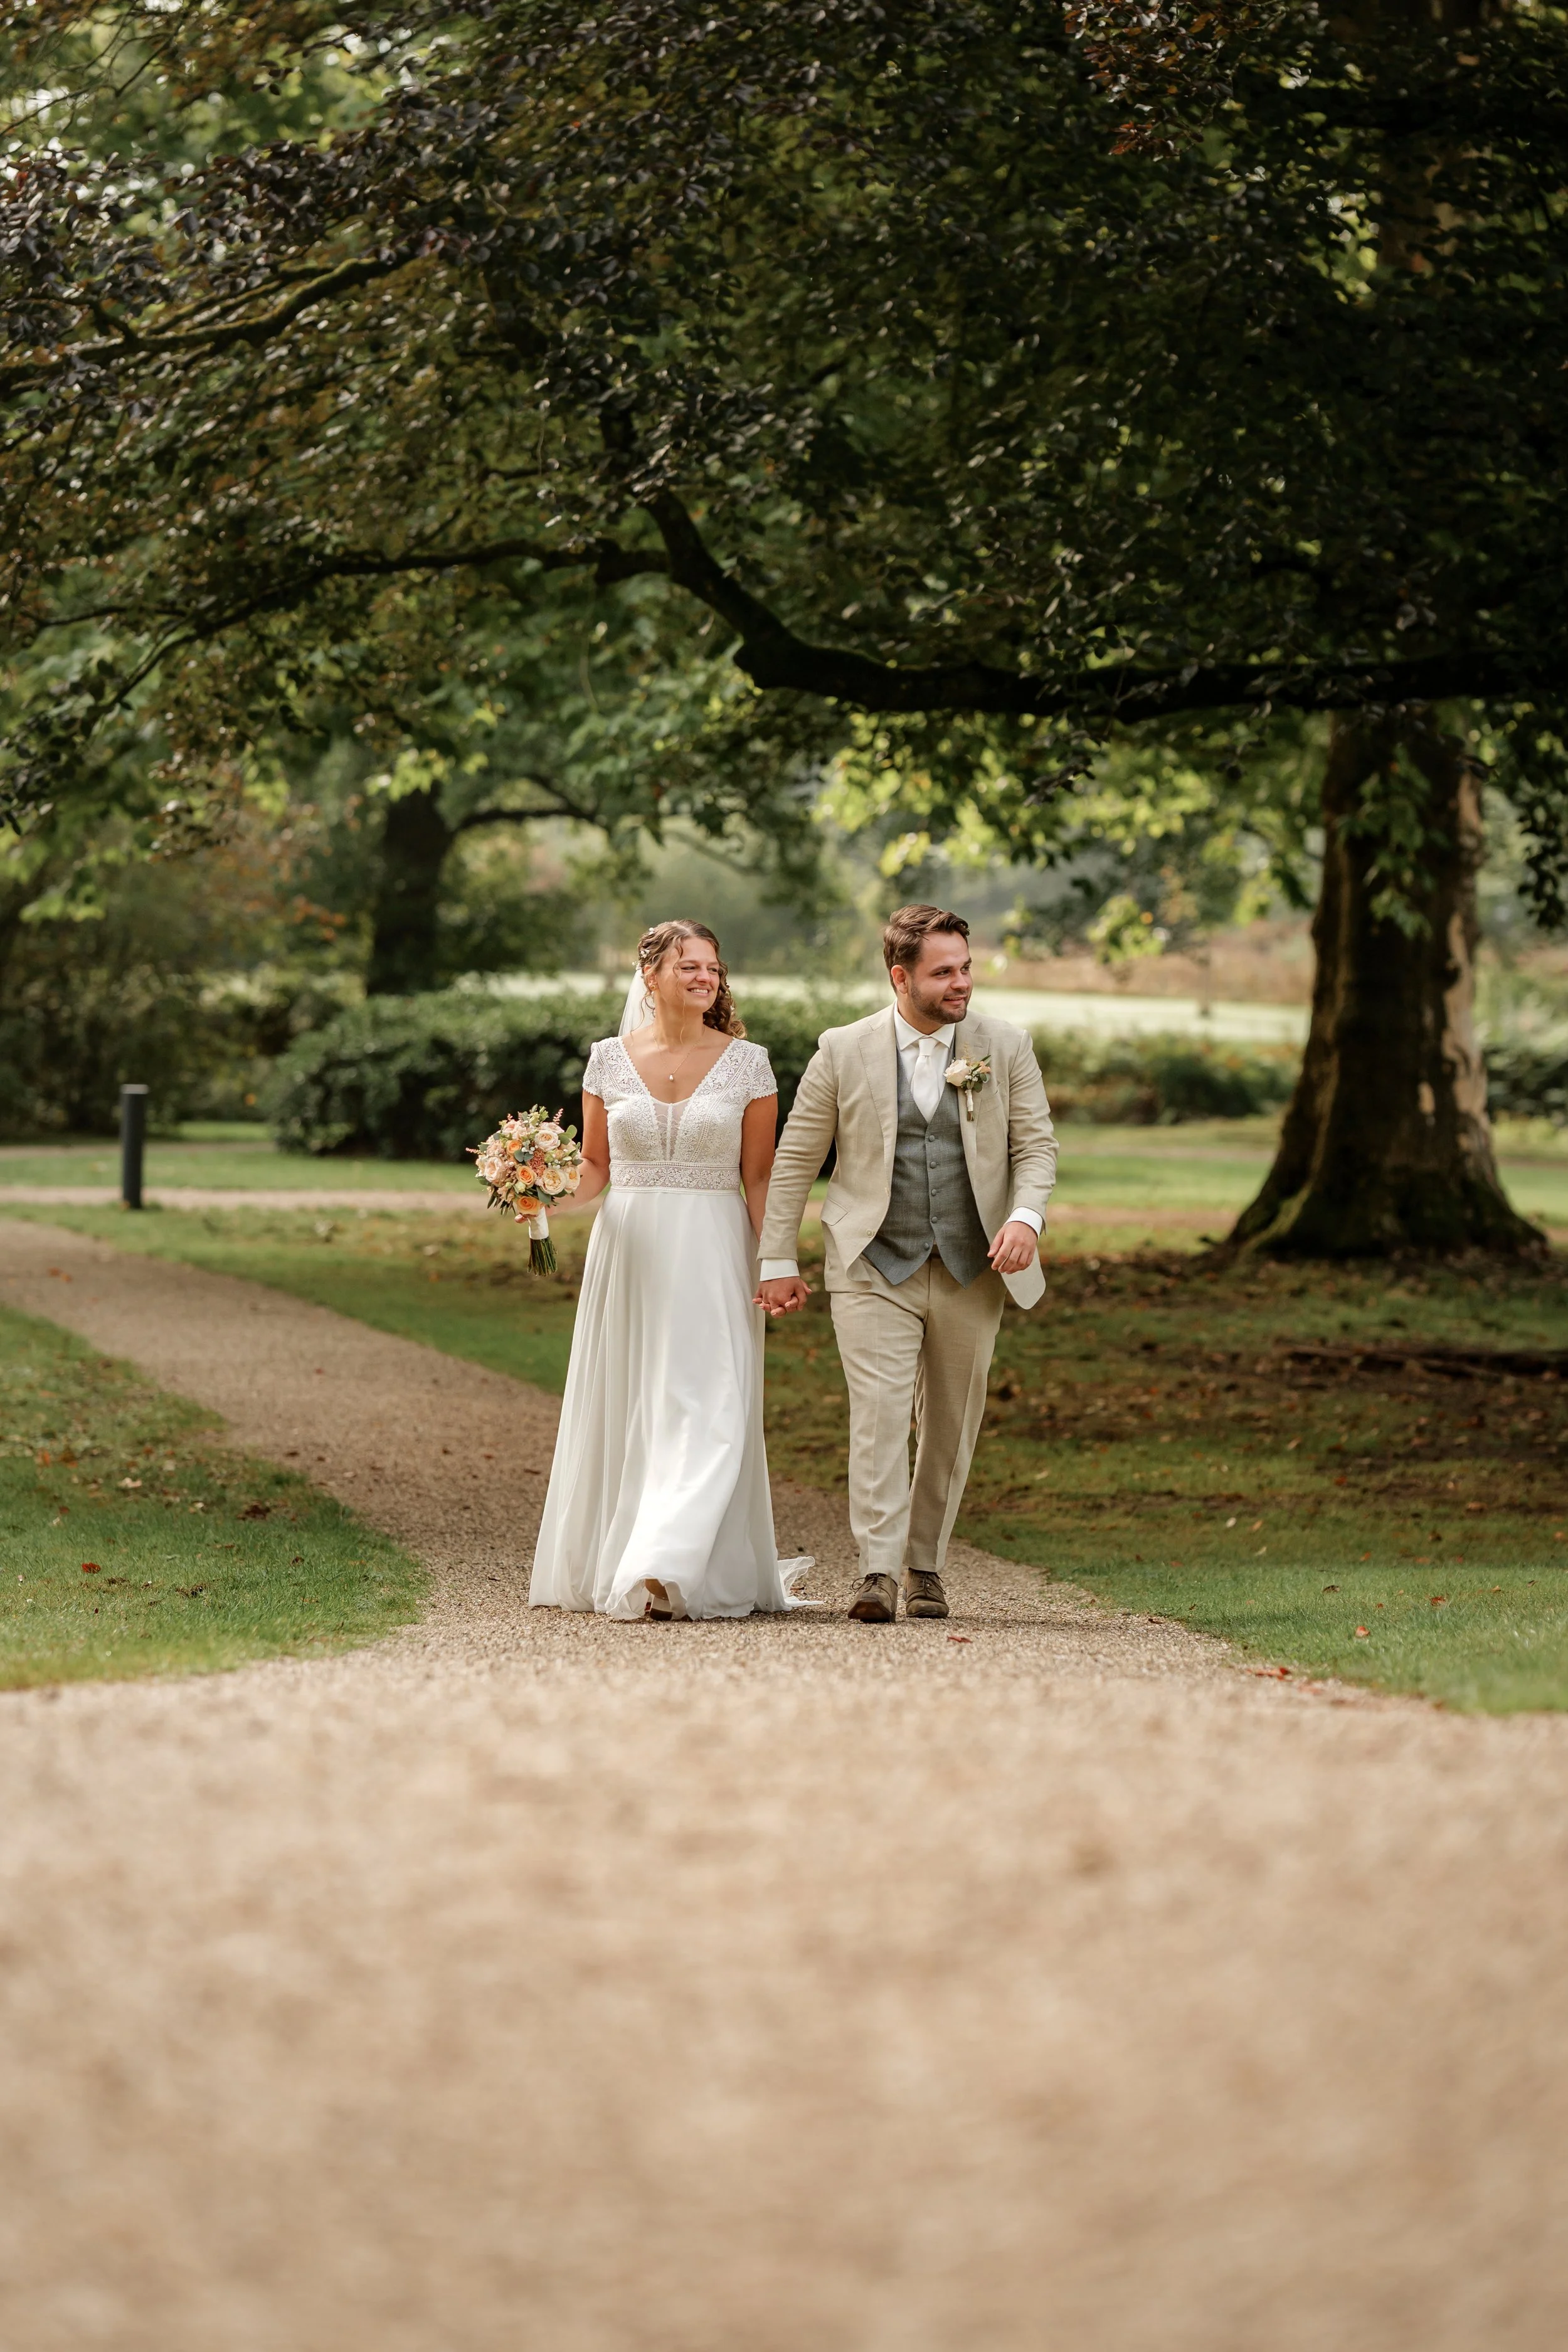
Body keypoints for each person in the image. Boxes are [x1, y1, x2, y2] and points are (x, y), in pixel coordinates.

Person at [756, 905, 1056, 1623]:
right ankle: (877, 1572)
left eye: (966, 967)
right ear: (900, 977)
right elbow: (797, 1158)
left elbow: (1036, 1147)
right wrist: (775, 1255)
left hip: (971, 1264)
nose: (961, 983)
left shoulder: (1004, 1046)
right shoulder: (843, 1048)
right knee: (880, 1417)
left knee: (951, 1424)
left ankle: (926, 1567)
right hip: (870, 1263)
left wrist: (1024, 1216)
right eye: (943, 971)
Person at [529, 919, 814, 1621]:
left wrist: (777, 1260)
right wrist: (542, 1195)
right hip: (628, 1249)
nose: (704, 977)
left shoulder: (750, 1065)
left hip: (714, 1247)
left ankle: (668, 1558)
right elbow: (596, 1167)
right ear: (649, 976)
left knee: (710, 1401)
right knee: (636, 1401)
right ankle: (639, 1551)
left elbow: (759, 1178)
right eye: (687, 965)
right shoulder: (606, 1060)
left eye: (712, 967)